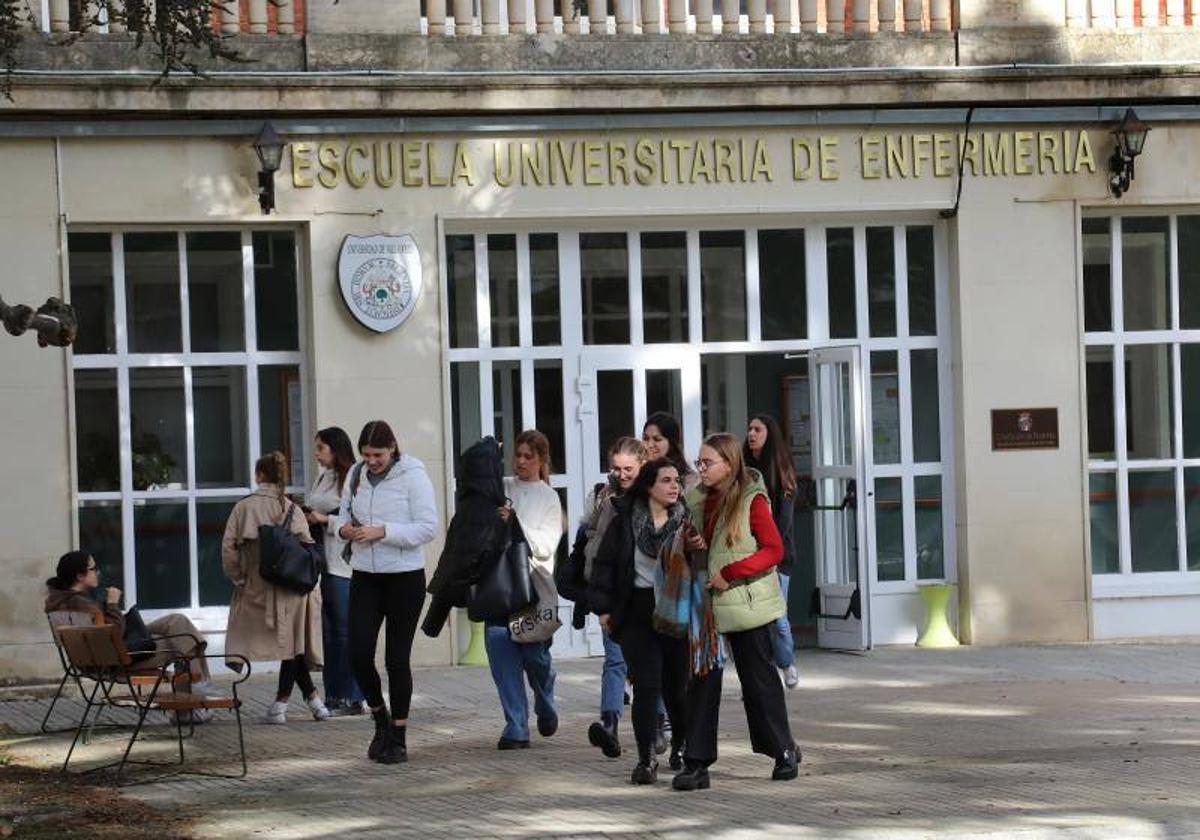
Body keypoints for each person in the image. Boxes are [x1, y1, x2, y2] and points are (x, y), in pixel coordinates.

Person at [672, 433, 800, 791]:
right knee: (701, 682)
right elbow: (694, 543)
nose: (701, 469)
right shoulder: (696, 499)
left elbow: (773, 550)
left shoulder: (751, 499)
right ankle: (696, 764)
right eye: (699, 463)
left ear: (729, 464)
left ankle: (783, 750)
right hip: (707, 604)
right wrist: (692, 543)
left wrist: (731, 573)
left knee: (758, 681)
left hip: (746, 602)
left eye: (707, 463)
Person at [330, 420, 438, 765]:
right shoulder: (356, 474)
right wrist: (343, 529)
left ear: (393, 447)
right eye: (366, 454)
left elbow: (427, 528)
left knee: (396, 659)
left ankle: (400, 735)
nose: (372, 460)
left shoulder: (413, 475)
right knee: (358, 652)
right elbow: (342, 514)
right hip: (365, 574)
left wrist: (383, 531)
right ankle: (380, 719)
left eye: (378, 454)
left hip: (404, 577)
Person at [589, 458, 690, 785]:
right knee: (646, 684)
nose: (674, 486)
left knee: (676, 686)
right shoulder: (625, 521)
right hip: (636, 609)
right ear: (649, 485)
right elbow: (604, 565)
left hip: (675, 609)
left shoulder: (686, 522)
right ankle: (646, 758)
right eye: (666, 480)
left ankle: (682, 746)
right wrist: (603, 609)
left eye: (677, 480)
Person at [43, 551, 223, 716]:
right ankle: (194, 699)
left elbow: (106, 634)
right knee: (182, 640)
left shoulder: (61, 601)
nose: (97, 572)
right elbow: (113, 635)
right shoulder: (82, 606)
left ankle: (199, 687)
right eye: (93, 568)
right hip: (116, 660)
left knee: (176, 621)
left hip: (106, 654)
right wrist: (112, 604)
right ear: (80, 575)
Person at [222, 452, 328, 726]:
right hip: (293, 590)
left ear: (260, 475)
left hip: (257, 585)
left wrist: (238, 577)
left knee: (289, 649)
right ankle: (312, 702)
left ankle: (286, 705)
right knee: (294, 647)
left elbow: (228, 550)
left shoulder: (242, 508)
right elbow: (307, 546)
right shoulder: (292, 509)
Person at [485, 429, 564, 750]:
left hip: (533, 590)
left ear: (541, 460)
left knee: (535, 656)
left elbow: (546, 545)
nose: (520, 462)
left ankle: (545, 696)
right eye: (517, 455)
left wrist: (515, 521)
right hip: (499, 587)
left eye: (528, 457)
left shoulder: (548, 497)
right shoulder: (502, 488)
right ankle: (516, 725)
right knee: (501, 651)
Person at [580, 437, 647, 759]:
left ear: (643, 466)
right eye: (616, 468)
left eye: (628, 469)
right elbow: (589, 539)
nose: (621, 475)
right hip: (613, 592)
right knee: (615, 660)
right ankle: (609, 725)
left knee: (649, 665)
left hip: (646, 593)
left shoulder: (654, 495)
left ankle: (660, 725)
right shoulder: (604, 497)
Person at [305, 426, 365, 716]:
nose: (316, 454)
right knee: (330, 633)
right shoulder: (323, 476)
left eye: (321, 448)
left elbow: (354, 522)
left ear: (335, 449)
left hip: (344, 566)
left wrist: (323, 520)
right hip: (324, 564)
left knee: (345, 631)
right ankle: (334, 694)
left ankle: (353, 695)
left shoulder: (352, 477)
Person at [743, 414, 800, 690]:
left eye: (757, 429)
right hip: (747, 554)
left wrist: (769, 549)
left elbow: (783, 521)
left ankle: (786, 663)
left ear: (769, 434)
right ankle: (760, 676)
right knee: (754, 619)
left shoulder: (781, 470)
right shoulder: (743, 469)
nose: (751, 433)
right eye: (750, 429)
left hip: (778, 556)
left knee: (777, 617)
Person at [643, 411, 698, 493]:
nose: (649, 445)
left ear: (672, 443)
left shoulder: (690, 481)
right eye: (646, 439)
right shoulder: (638, 473)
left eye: (657, 439)